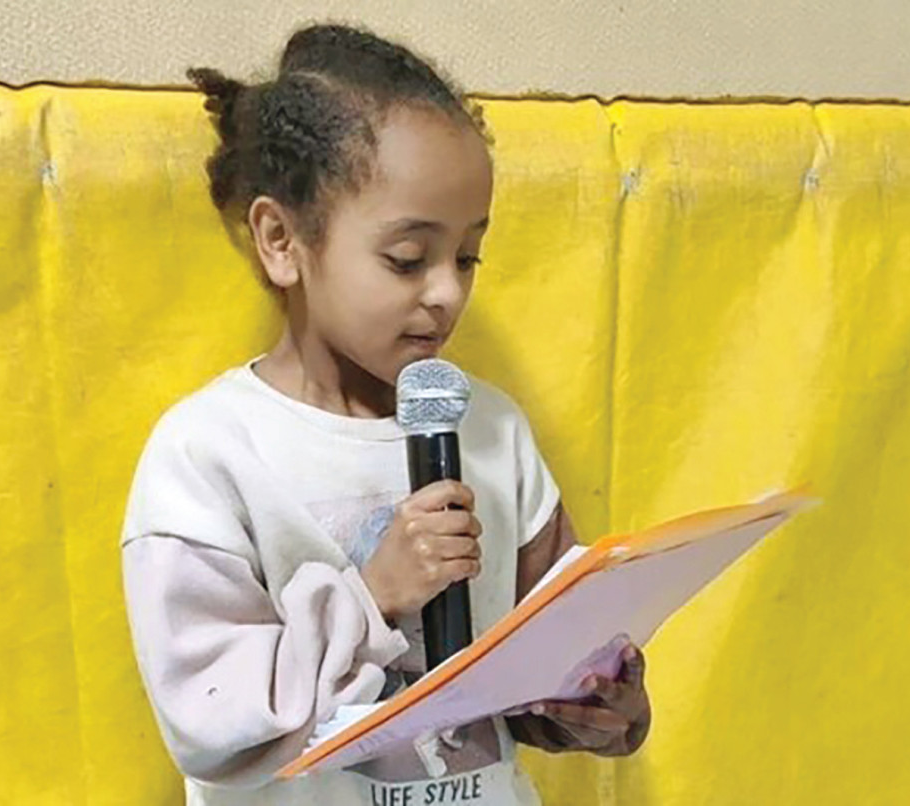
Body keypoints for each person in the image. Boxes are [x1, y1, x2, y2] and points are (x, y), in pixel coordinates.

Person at [121, 23, 650, 805]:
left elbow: (546, 668)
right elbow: (211, 722)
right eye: (407, 259)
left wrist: (600, 705)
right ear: (281, 240)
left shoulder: (493, 431)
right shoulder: (207, 455)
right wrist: (374, 596)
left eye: (467, 257)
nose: (446, 292)